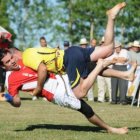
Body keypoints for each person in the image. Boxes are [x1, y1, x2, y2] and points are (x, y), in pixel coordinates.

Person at [0, 3, 136, 101]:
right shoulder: (31, 50)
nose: (13, 63)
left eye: (11, 59)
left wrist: (38, 89)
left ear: (12, 53)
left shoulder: (27, 58)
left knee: (79, 93)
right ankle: (111, 18)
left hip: (68, 61)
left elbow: (42, 69)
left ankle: (100, 65)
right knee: (108, 48)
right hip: (72, 52)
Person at [0, 59, 128, 134]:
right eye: (8, 62)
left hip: (60, 77)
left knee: (85, 66)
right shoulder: (11, 81)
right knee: (85, 108)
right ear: (3, 67)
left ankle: (121, 73)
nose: (12, 62)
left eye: (11, 58)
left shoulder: (23, 60)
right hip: (56, 93)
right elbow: (18, 102)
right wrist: (9, 98)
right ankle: (111, 129)